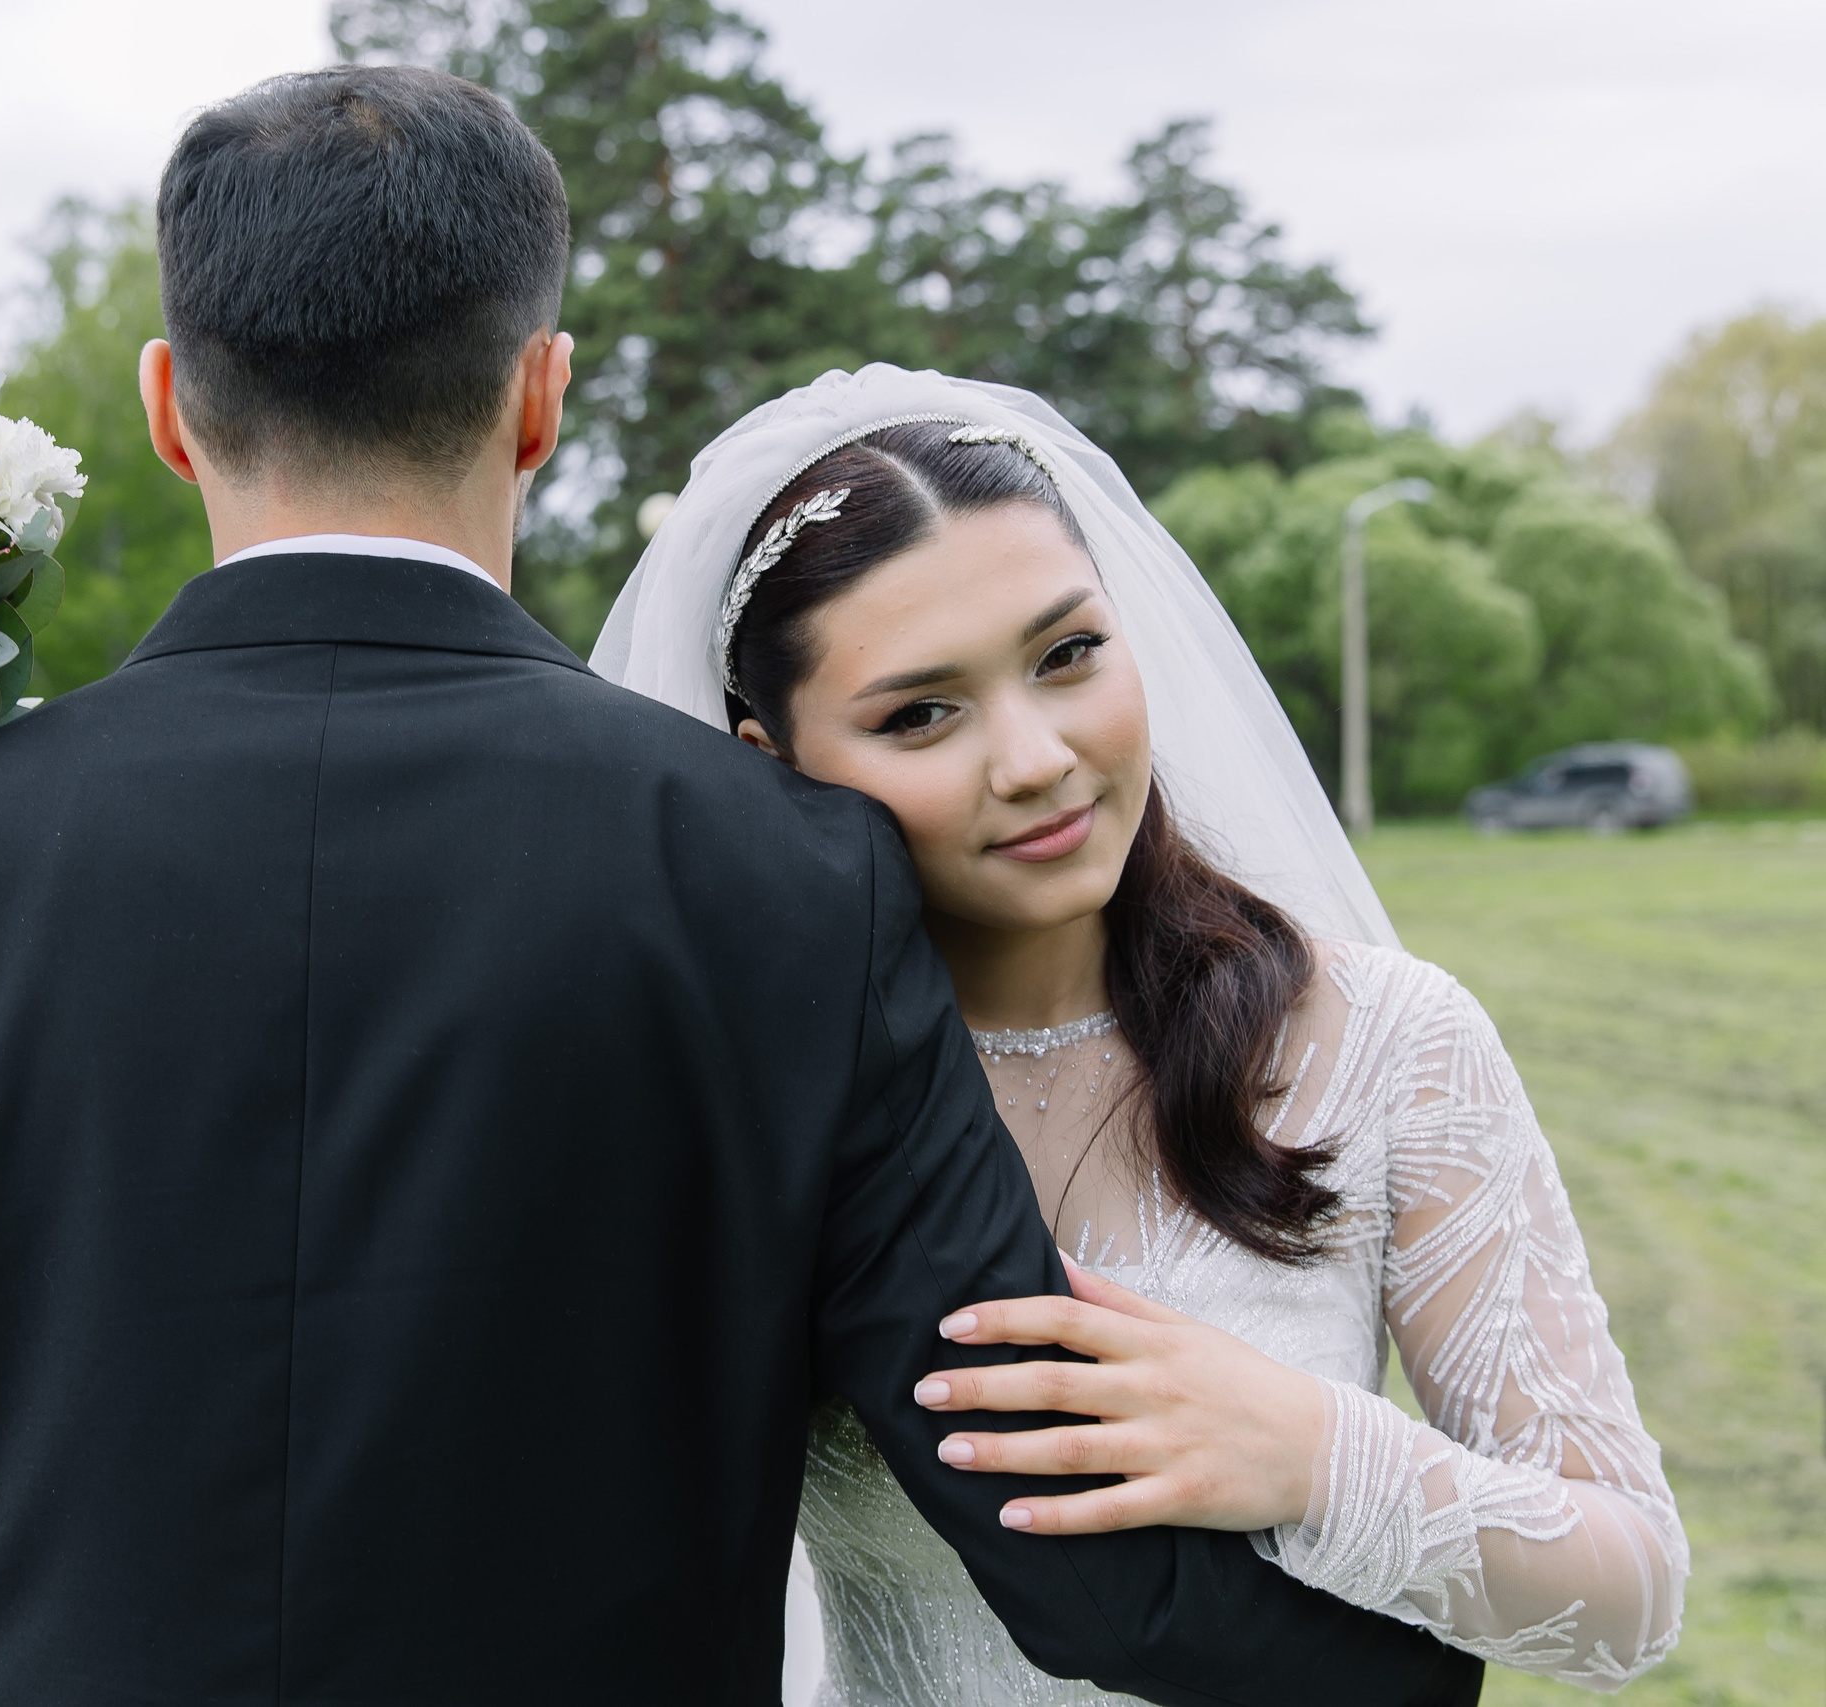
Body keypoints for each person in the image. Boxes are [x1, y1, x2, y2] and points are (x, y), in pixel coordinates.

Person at [0, 69, 1480, 1703]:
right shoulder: (787, 875)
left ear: (174, 411)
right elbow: (1040, 1514)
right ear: (543, 396)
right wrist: (1426, 1674)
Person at [593, 368, 1689, 1703]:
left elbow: (1630, 1599)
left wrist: (1312, 1457)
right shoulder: (750, 1099)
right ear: (770, 764)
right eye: (922, 713)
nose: (1039, 757)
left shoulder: (1386, 1043)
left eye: (1068, 656)